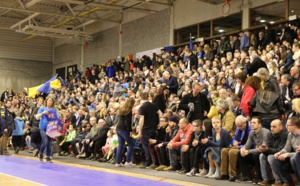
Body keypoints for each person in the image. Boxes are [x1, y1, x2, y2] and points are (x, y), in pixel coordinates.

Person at [236, 116, 272, 184]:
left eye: (254, 123)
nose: (252, 124)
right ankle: (246, 177)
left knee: (256, 155)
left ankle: (259, 177)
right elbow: (247, 145)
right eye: (251, 122)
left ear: (259, 125)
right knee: (239, 153)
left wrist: (248, 151)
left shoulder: (266, 132)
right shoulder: (252, 133)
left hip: (267, 152)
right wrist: (243, 149)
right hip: (258, 151)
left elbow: (263, 149)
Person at [217, 115, 251, 182]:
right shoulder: (238, 127)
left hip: (245, 148)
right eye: (237, 126)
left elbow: (251, 143)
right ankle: (224, 173)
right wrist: (234, 142)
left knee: (232, 152)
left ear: (245, 122)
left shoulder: (250, 129)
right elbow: (234, 138)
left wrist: (238, 147)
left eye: (240, 126)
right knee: (224, 150)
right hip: (237, 146)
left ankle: (232, 174)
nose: (239, 127)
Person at [268, 117, 300, 186]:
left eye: (288, 125)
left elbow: (296, 153)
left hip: (296, 157)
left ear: (294, 126)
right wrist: (279, 153)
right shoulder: (290, 135)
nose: (286, 126)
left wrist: (287, 154)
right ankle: (288, 182)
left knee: (293, 159)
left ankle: (298, 182)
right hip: (294, 156)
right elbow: (286, 148)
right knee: (276, 159)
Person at [258, 119, 288, 186]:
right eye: (271, 126)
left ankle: (279, 181)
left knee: (271, 157)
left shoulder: (285, 135)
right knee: (262, 155)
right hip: (274, 153)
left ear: (281, 127)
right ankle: (266, 179)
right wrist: (263, 149)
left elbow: (280, 149)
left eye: (274, 127)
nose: (271, 129)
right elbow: (268, 146)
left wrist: (267, 149)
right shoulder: (271, 134)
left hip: (283, 155)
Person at [138, 92, 163, 168]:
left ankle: (148, 162)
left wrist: (139, 131)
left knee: (146, 146)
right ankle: (155, 162)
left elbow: (141, 120)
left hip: (146, 129)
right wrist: (159, 122)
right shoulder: (153, 105)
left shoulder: (142, 107)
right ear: (148, 97)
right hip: (154, 128)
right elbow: (160, 113)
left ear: (141, 98)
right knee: (152, 145)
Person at [35, 97, 58, 163]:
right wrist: (42, 113)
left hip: (50, 128)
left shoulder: (53, 110)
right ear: (46, 101)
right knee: (45, 141)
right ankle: (41, 153)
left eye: (51, 101)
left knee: (50, 143)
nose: (50, 102)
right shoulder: (42, 108)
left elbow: (55, 120)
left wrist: (55, 131)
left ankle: (48, 156)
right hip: (43, 127)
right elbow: (37, 117)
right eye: (49, 100)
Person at [116, 97, 135, 167]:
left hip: (118, 128)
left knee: (120, 145)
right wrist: (130, 130)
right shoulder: (128, 110)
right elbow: (128, 122)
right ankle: (128, 161)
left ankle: (118, 162)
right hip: (124, 130)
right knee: (131, 144)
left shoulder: (121, 108)